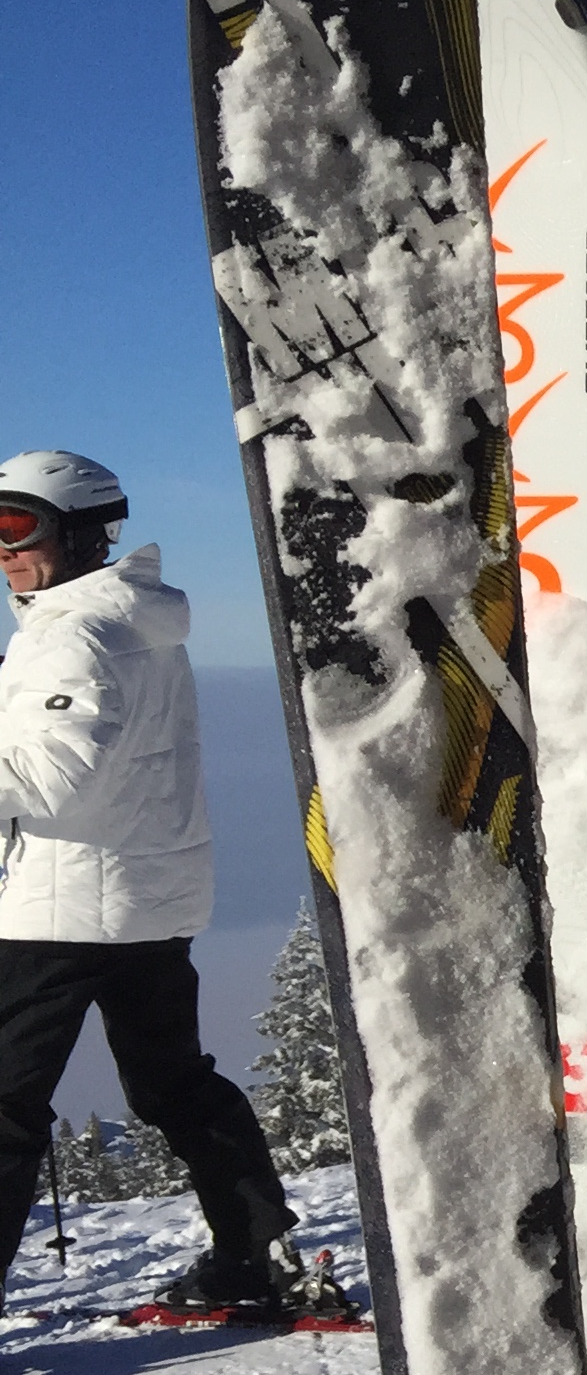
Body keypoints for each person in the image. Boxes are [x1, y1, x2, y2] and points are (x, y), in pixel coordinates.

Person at [0, 452, 305, 1306]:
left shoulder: (72, 634)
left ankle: (250, 1255)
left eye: (17, 526)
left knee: (5, 1111)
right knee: (174, 1083)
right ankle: (250, 1254)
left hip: (61, 913)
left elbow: (52, 779)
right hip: (149, 901)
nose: (5, 551)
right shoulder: (137, 624)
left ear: (81, 532)